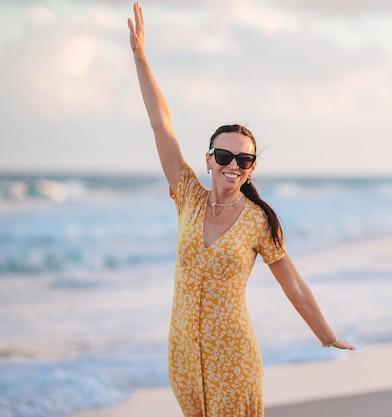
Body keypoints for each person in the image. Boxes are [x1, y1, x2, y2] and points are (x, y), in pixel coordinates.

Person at [127, 3, 355, 416]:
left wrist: (326, 335)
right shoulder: (188, 197)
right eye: (224, 155)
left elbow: (295, 286)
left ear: (252, 168)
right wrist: (142, 59)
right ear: (209, 159)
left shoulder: (259, 222)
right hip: (181, 351)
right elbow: (162, 125)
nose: (233, 165)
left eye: (244, 159)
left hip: (233, 353)